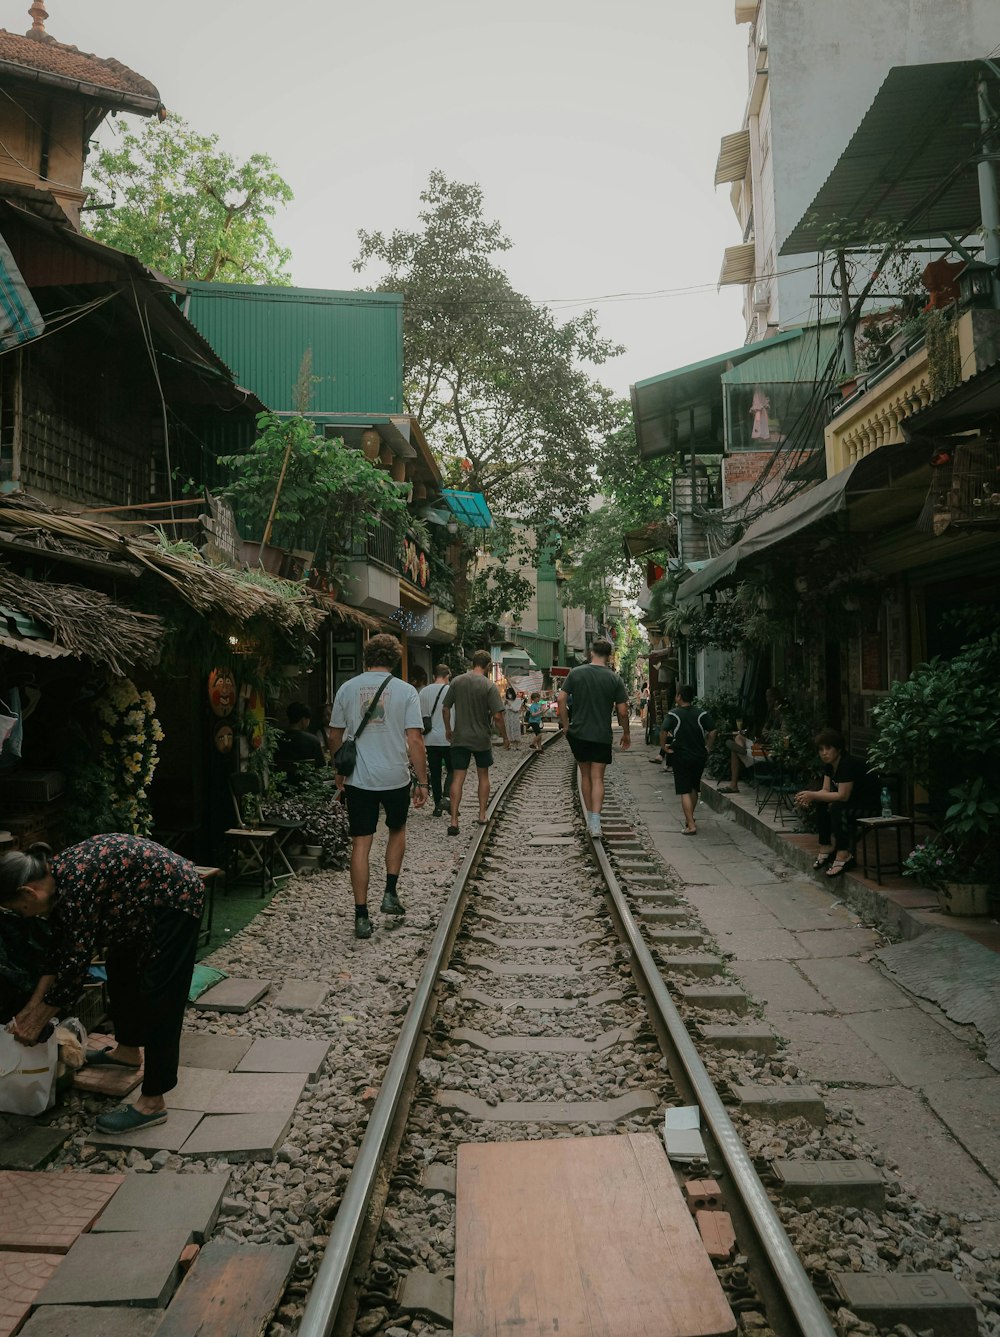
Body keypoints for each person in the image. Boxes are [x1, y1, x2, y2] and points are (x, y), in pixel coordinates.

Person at [0, 834, 206, 1133]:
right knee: (120, 969)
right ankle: (127, 1051)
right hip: (137, 905)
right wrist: (30, 1011)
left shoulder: (74, 887)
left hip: (176, 899)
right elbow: (58, 953)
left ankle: (153, 1102)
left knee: (160, 995)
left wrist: (35, 1024)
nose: (23, 915)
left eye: (20, 909)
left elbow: (72, 971)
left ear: (28, 893)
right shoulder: (57, 879)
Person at [329, 634, 429, 939]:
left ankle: (361, 915)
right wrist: (423, 781)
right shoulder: (407, 691)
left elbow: (334, 734)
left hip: (359, 778)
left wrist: (339, 769)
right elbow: (414, 739)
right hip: (395, 777)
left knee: (362, 842)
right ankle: (389, 893)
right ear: (395, 660)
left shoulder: (347, 688)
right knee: (397, 830)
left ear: (366, 657)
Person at [558, 638, 630, 837]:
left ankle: (590, 817)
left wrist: (565, 725)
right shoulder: (615, 679)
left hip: (579, 733)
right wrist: (626, 733)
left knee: (586, 775)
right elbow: (623, 711)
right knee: (598, 777)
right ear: (610, 655)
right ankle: (596, 823)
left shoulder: (576, 673)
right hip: (601, 735)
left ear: (591, 652)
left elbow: (561, 699)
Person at [442, 649, 508, 836]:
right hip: (481, 738)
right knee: (483, 776)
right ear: (487, 666)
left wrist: (448, 729)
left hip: (460, 737)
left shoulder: (457, 681)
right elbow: (497, 715)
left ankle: (454, 820)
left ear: (473, 663)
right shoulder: (488, 685)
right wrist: (505, 736)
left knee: (458, 778)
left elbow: (445, 708)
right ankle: (481, 814)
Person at [794, 728, 869, 877]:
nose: (824, 753)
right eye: (821, 749)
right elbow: (825, 791)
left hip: (868, 807)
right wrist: (807, 796)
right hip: (850, 804)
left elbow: (843, 796)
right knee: (822, 802)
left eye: (828, 748)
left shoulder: (847, 763)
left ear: (839, 749)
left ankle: (843, 852)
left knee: (837, 807)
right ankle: (825, 846)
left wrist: (813, 795)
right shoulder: (830, 765)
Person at [661, 685, 716, 835]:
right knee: (693, 787)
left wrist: (663, 748)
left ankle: (690, 825)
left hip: (681, 756)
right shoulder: (701, 714)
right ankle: (690, 817)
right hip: (699, 756)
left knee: (684, 789)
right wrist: (708, 747)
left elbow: (664, 730)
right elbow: (713, 730)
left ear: (679, 696)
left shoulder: (673, 714)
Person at [718, 688, 784, 795]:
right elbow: (764, 733)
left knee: (734, 750)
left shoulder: (783, 716)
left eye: (770, 697)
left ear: (777, 699)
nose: (768, 700)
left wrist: (767, 734)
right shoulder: (770, 713)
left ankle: (734, 784)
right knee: (739, 737)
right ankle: (742, 751)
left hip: (769, 751)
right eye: (767, 697)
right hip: (761, 746)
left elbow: (778, 737)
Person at [419, 664, 453, 818]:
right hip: (449, 738)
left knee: (435, 773)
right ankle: (446, 797)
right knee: (453, 770)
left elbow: (421, 717)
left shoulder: (424, 692)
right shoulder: (452, 690)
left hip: (430, 739)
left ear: (434, 676)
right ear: (448, 675)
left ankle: (437, 806)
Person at [274, 702, 326, 778]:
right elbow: (319, 769)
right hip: (308, 786)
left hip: (281, 785)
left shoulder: (277, 739)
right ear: (303, 720)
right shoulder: (313, 741)